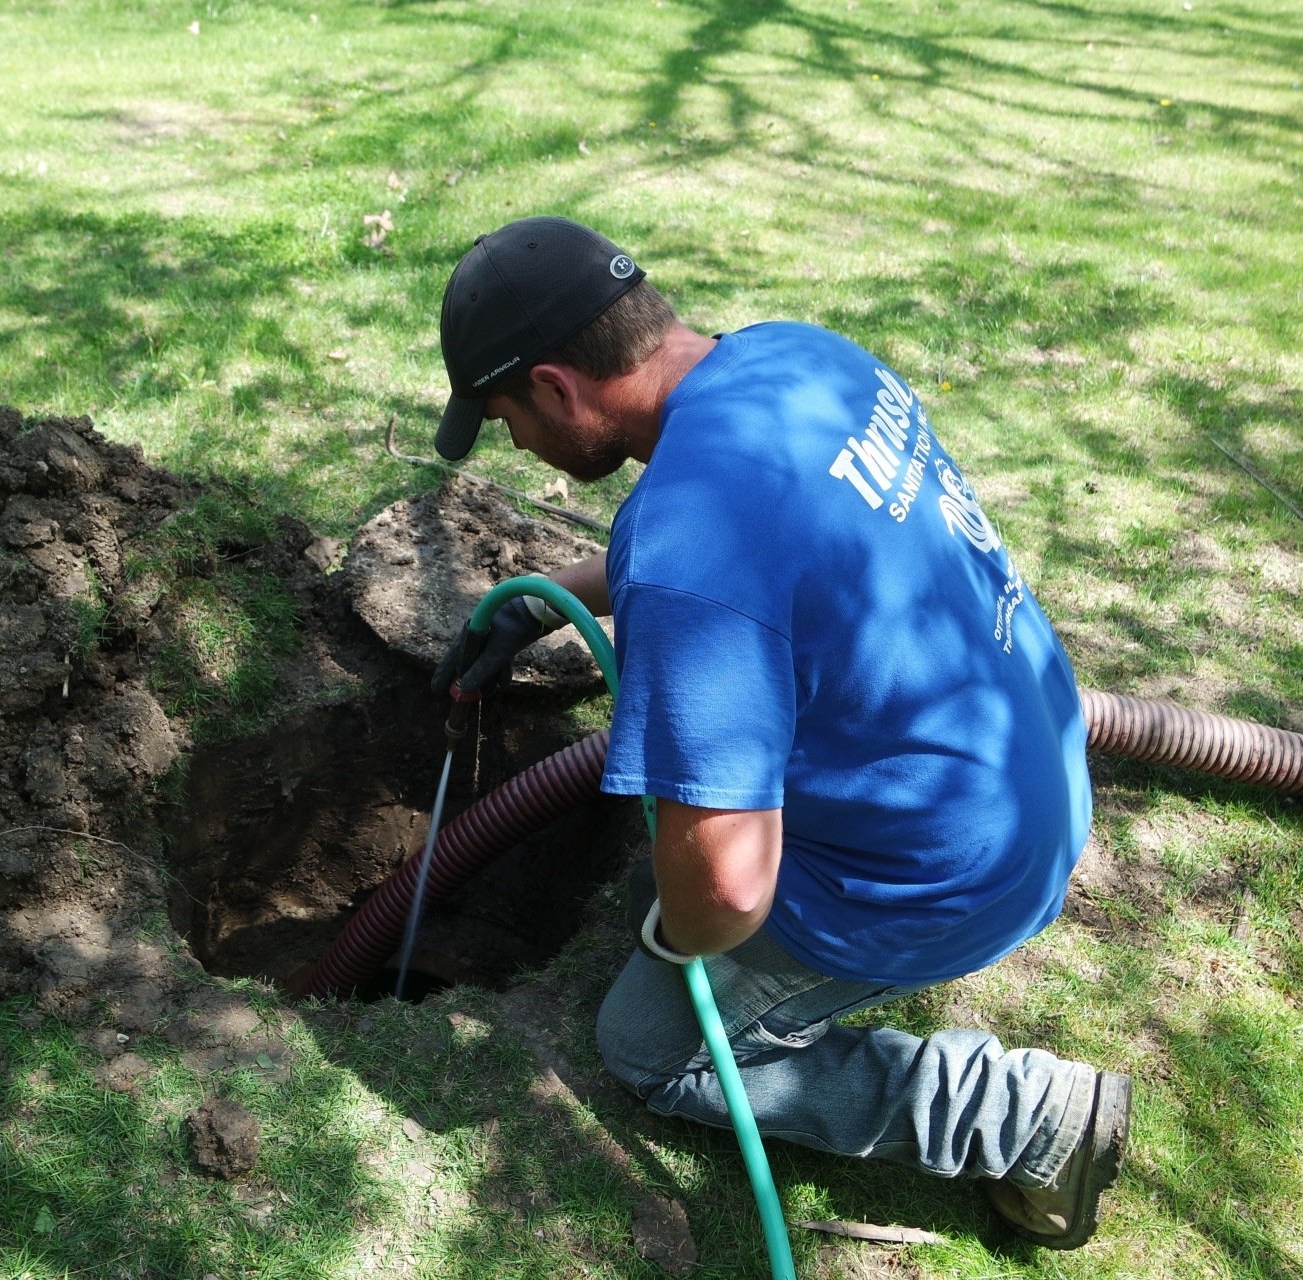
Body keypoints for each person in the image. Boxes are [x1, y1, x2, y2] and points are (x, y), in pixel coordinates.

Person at [428, 216, 1129, 1250]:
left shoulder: (689, 548)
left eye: (505, 420)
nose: (518, 445)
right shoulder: (796, 356)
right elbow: (751, 535)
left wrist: (682, 924)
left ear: (556, 387)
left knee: (648, 1042)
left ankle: (1026, 1118)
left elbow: (725, 894)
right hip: (1029, 771)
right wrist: (542, 598)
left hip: (939, 871)